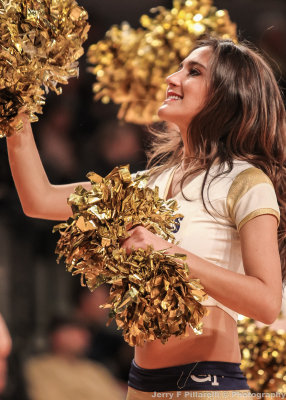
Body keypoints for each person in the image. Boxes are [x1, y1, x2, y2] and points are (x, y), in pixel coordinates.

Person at [5, 37, 286, 399]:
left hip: (206, 386)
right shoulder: (146, 184)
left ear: (227, 94)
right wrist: (15, 105)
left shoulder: (246, 182)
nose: (172, 77)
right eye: (179, 67)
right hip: (141, 387)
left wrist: (167, 251)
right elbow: (38, 200)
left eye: (193, 72)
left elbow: (265, 302)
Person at [24, 316, 125, 400]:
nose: (84, 336)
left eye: (84, 332)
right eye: (76, 331)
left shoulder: (95, 368)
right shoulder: (39, 367)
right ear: (57, 335)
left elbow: (117, 396)